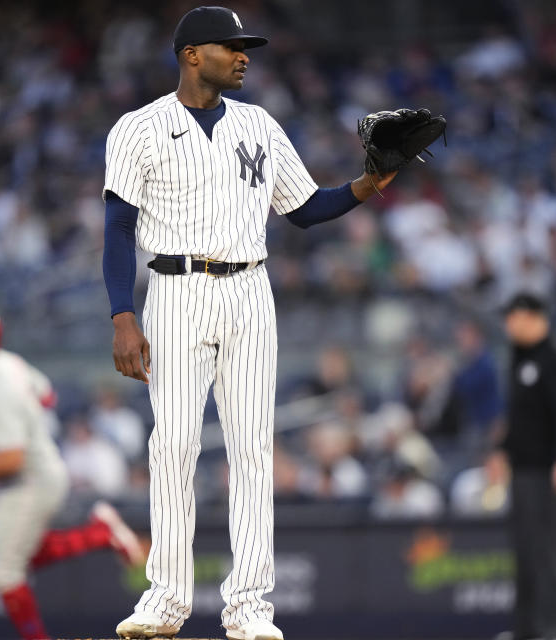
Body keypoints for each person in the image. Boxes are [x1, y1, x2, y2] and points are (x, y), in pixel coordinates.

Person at [101, 7, 398, 640]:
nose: (243, 56)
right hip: (176, 290)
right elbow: (118, 229)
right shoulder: (138, 129)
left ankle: (250, 609)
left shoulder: (258, 124)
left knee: (254, 450)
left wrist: (370, 183)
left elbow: (305, 209)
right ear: (190, 55)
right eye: (229, 46)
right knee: (174, 445)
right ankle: (166, 600)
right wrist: (122, 316)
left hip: (249, 292)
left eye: (246, 47)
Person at [0, 302, 144, 640]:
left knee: (2, 571)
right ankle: (100, 534)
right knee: (19, 554)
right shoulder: (6, 364)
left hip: (27, 480)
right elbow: (46, 395)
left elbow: (13, 457)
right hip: (35, 473)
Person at [489, 293, 556, 640]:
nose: (507, 324)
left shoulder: (555, 359)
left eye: (511, 316)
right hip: (522, 470)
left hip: (547, 471)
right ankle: (525, 630)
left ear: (531, 317)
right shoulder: (517, 357)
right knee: (524, 552)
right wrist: (501, 450)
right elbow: (517, 418)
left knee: (545, 553)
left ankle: (551, 630)